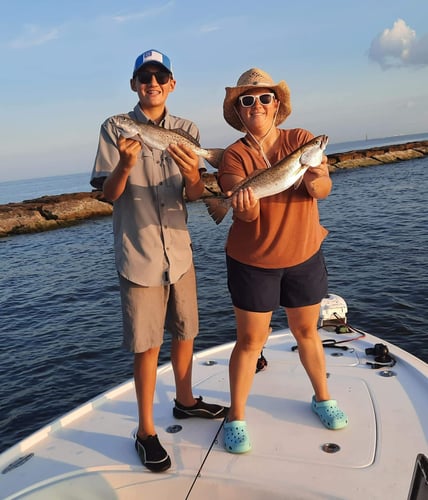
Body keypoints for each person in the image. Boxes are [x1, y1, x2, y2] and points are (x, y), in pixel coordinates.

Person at [90, 49, 227, 472]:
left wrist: (193, 175)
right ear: (134, 84)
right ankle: (146, 431)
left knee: (185, 331)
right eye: (144, 77)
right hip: (139, 254)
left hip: (179, 251)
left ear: (171, 84)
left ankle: (185, 402)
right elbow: (108, 195)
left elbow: (196, 195)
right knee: (147, 344)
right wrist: (126, 163)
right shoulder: (116, 126)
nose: (152, 83)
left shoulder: (186, 129)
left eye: (160, 76)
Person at [217, 68, 348, 454]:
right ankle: (236, 416)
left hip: (304, 254)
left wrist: (316, 171)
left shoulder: (303, 141)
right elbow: (248, 217)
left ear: (277, 105)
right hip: (252, 259)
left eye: (264, 97)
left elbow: (321, 190)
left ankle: (323, 397)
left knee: (307, 332)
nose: (256, 104)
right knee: (250, 341)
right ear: (238, 110)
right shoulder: (233, 155)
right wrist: (241, 205)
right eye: (247, 99)